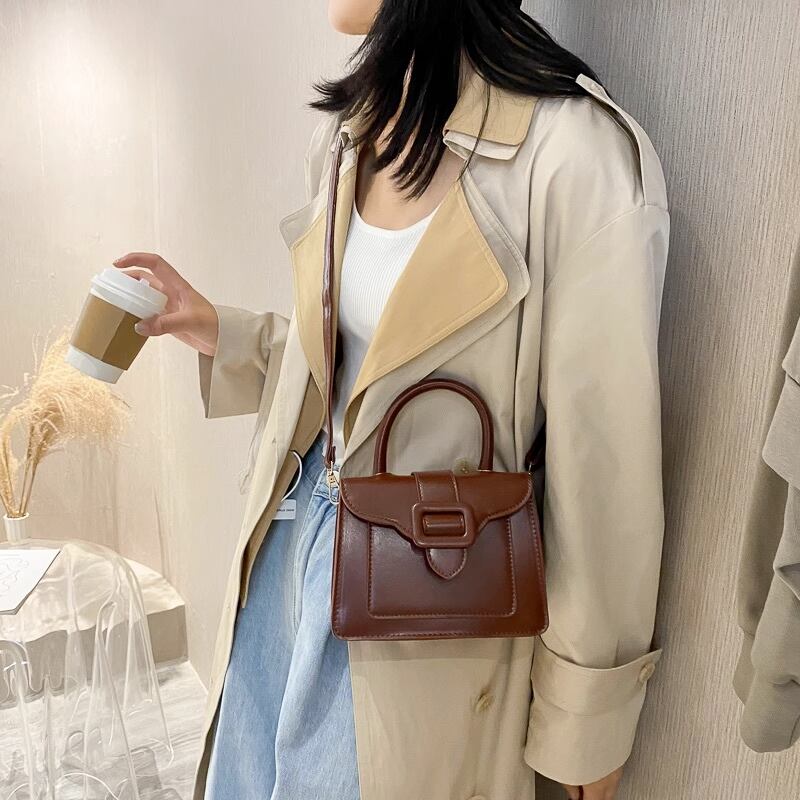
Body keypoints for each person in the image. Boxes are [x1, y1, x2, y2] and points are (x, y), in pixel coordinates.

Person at [113, 1, 670, 798]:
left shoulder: (573, 156)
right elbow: (360, 377)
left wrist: (586, 721)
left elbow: (604, 471)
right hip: (288, 548)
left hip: (425, 595)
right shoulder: (355, 129)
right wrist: (222, 332)